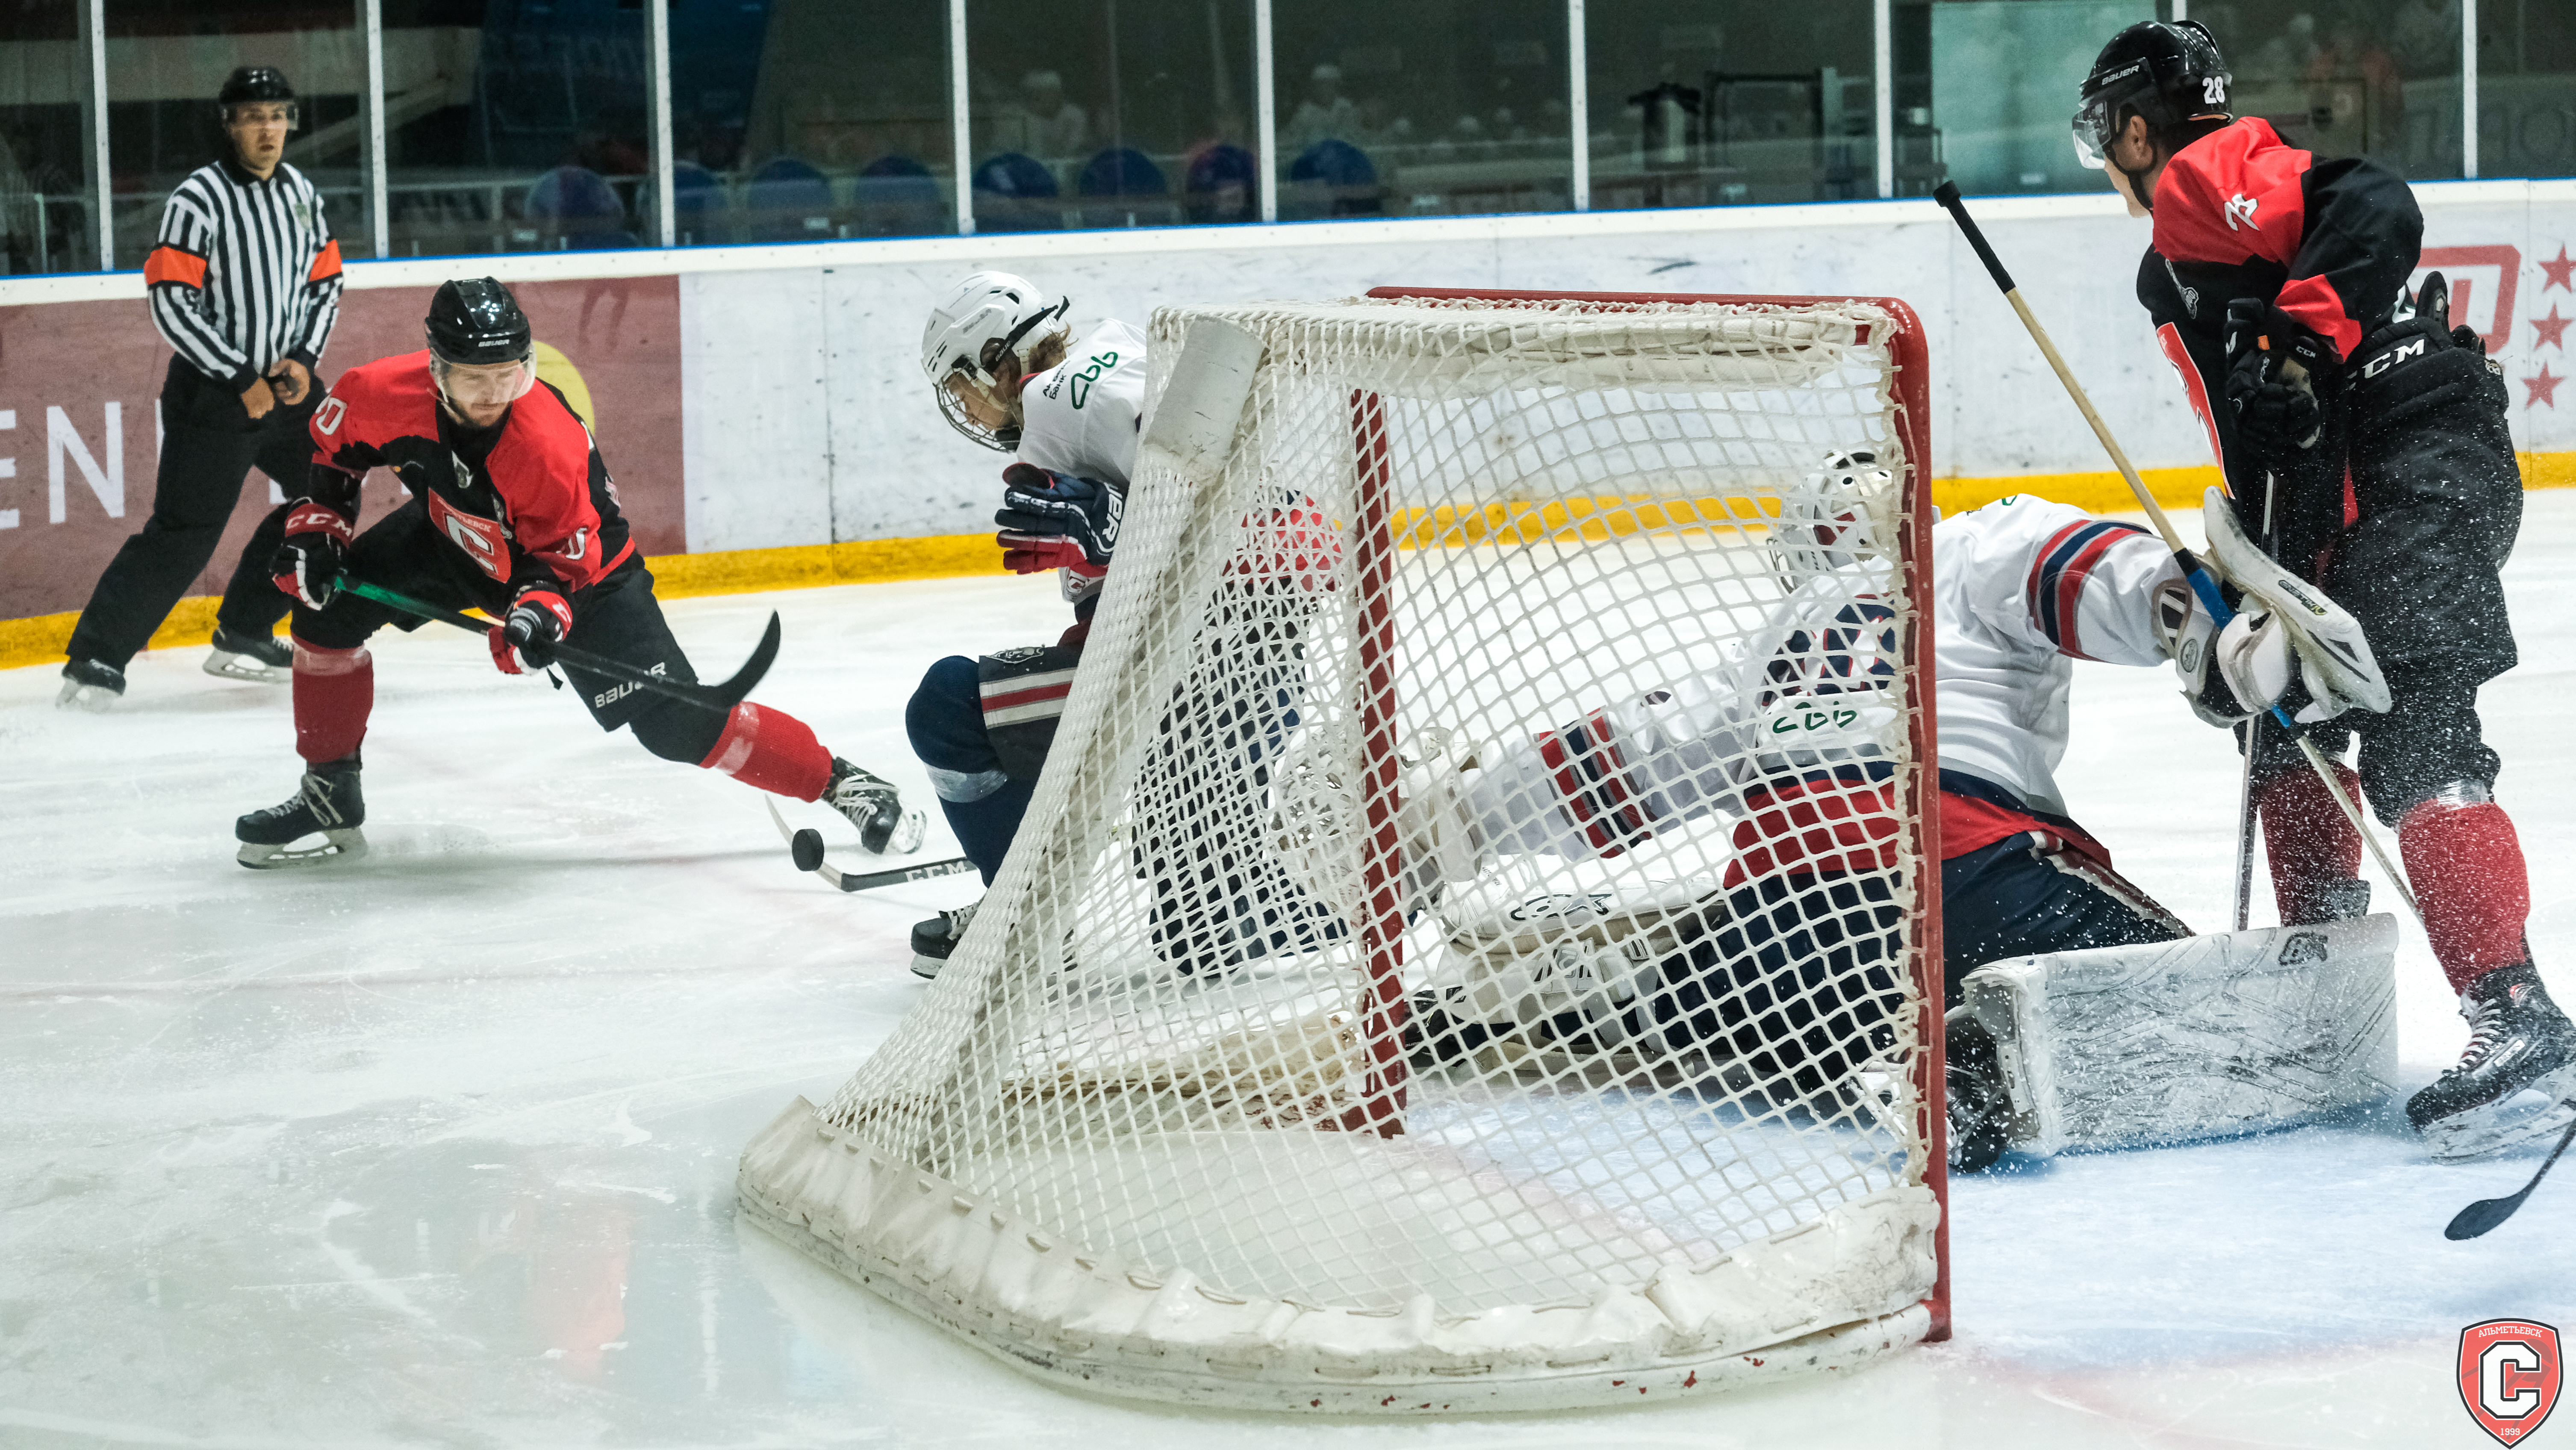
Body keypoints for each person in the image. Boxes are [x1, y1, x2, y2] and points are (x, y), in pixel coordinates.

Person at [1386, 462, 2335, 1169]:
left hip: (1767, 945)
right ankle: (1969, 1058)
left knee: (1768, 993)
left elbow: (1628, 763)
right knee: (2204, 1007)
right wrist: (2202, 622)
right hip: (1965, 882)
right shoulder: (1962, 546)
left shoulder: (1768, 649)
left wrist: (1455, 822)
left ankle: (1611, 993)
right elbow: (2077, 569)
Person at [2073, 20, 2568, 1144]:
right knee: (2287, 721)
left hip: (2411, 465)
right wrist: (2262, 589)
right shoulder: (2183, 258)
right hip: (2372, 479)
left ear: (2137, 128)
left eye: (2106, 136)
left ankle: (2520, 1020)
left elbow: (2376, 204)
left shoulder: (2200, 180)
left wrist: (2299, 349)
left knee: (2420, 731)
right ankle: (2324, 997)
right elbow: (2276, 436)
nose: (2108, 159)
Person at [233, 279, 923, 868]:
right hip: (453, 535)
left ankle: (844, 784)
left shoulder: (545, 444)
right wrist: (318, 532)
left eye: (508, 375)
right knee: (324, 614)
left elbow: (562, 562)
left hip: (586, 579)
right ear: (437, 369)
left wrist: (531, 615)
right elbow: (334, 456)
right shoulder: (381, 391)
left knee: (678, 728)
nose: (493, 393)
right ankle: (330, 788)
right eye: (476, 378)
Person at [905, 272, 1336, 981]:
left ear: (996, 359)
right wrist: (1127, 537)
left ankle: (1020, 923)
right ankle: (1379, 892)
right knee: (1205, 926)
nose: (970, 411)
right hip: (1248, 655)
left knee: (949, 705)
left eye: (962, 387)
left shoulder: (1054, 404)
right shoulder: (1121, 348)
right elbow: (1279, 521)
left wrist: (1116, 533)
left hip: (1203, 667)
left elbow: (1222, 518)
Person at [59, 67, 341, 708]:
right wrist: (240, 377)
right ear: (229, 125)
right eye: (253, 116)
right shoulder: (199, 198)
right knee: (185, 531)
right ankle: (95, 660)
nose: (268, 128)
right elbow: (171, 302)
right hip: (215, 393)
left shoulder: (300, 192)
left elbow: (327, 281)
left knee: (329, 493)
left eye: (278, 115)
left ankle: (245, 627)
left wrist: (301, 358)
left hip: (289, 388)